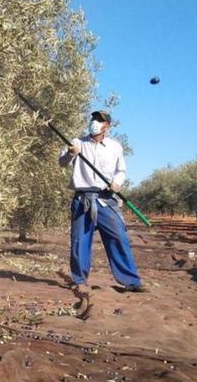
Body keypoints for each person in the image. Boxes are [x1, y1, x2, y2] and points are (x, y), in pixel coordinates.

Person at [58, 110, 143, 296]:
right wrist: (71, 154)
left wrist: (117, 183)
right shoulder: (77, 142)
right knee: (80, 240)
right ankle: (79, 280)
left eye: (99, 120)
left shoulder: (115, 147)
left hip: (106, 199)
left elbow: (121, 170)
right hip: (82, 199)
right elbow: (62, 162)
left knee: (118, 237)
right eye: (93, 119)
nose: (95, 122)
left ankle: (131, 281)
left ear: (107, 126)